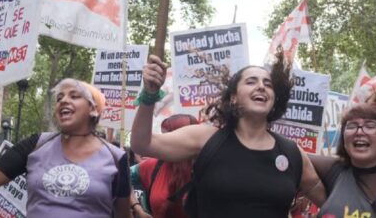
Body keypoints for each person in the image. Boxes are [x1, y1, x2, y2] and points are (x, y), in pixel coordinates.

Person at [132, 54, 324, 218]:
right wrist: (149, 94)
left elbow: (334, 203)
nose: (261, 87)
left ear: (274, 100)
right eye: (251, 82)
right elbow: (143, 144)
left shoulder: (292, 153)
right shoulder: (206, 139)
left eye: (268, 84)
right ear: (233, 97)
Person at [0, 79, 131, 217]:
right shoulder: (36, 145)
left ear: (94, 109)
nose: (63, 101)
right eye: (59, 98)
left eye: (74, 96)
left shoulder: (116, 158)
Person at [131, 113, 198, 218]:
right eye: (163, 135)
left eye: (167, 136)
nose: (163, 141)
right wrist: (138, 209)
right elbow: (121, 177)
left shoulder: (209, 167)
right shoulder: (152, 166)